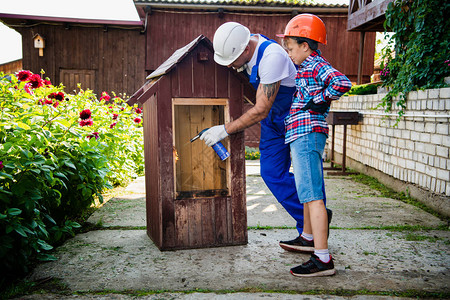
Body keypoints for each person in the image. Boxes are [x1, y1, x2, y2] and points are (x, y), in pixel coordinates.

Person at [199, 22, 331, 248]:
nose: (230, 66)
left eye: (232, 61)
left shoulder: (272, 57)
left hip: (294, 117)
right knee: (271, 173)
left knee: (306, 177)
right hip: (273, 121)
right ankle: (315, 221)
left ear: (246, 50)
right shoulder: (243, 45)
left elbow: (261, 109)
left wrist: (223, 129)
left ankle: (312, 232)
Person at [277, 14, 352, 277]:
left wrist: (321, 99)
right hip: (302, 134)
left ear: (306, 45)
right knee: (307, 190)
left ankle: (323, 259)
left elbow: (342, 82)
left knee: (313, 196)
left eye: (291, 48)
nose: (289, 54)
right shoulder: (305, 66)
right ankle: (308, 237)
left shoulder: (314, 63)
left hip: (308, 133)